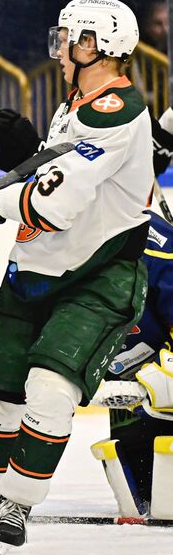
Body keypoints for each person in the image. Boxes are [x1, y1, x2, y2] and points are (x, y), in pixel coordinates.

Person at [0, 0, 153, 551]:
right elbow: (56, 171)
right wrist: (24, 156)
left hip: (97, 275)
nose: (58, 49)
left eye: (67, 39)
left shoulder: (118, 113)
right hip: (34, 269)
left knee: (50, 389)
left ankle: (18, 503)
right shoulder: (77, 104)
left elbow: (55, 203)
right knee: (2, 393)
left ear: (95, 46)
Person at [90, 210, 173, 513]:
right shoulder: (55, 239)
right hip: (128, 387)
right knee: (147, 492)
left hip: (161, 371)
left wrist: (161, 380)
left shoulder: (158, 246)